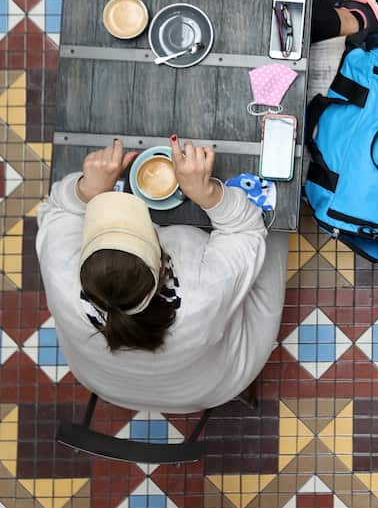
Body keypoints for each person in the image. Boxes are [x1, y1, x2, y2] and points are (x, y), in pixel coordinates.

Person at [35, 138, 285, 412]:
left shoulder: (60, 271)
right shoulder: (203, 292)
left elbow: (55, 210)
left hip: (104, 385)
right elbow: (246, 229)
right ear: (163, 266)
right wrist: (207, 193)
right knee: (274, 230)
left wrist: (86, 191)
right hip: (214, 385)